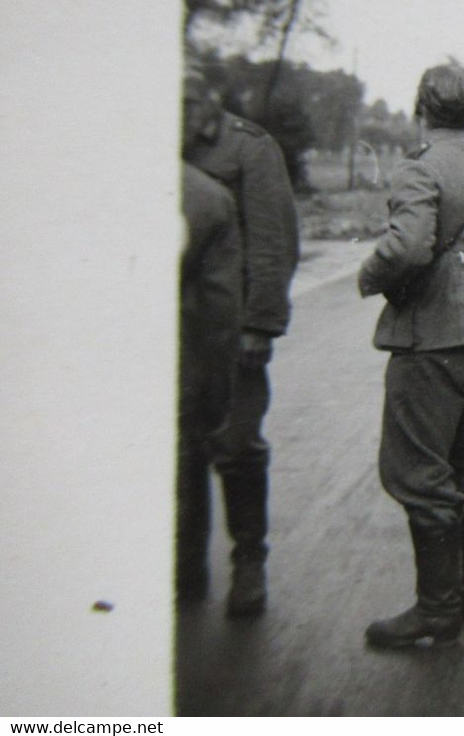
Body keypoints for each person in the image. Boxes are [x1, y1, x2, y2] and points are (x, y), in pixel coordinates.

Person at [357, 63, 464, 648]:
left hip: (433, 334)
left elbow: (406, 247)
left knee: (417, 473)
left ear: (421, 107)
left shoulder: (420, 169)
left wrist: (370, 274)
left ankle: (437, 610)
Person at [182, 62, 300, 617]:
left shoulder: (249, 148)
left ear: (209, 98)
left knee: (235, 444)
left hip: (232, 329)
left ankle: (249, 561)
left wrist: (260, 325)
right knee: (180, 451)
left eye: (187, 102)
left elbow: (274, 242)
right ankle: (184, 570)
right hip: (178, 326)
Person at [177, 160, 242, 608]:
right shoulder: (204, 195)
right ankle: (185, 575)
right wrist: (218, 387)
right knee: (186, 454)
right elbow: (219, 308)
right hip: (178, 359)